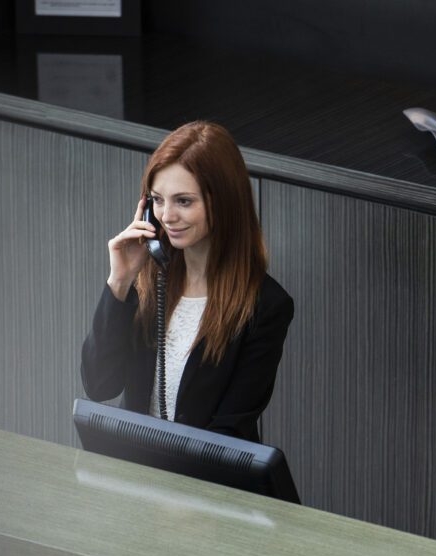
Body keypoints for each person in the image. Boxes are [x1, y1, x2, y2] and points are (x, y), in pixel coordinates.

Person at [81, 121, 293, 443]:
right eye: (157, 200)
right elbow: (99, 385)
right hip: (136, 468)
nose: (166, 216)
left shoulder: (266, 305)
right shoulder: (150, 279)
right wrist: (120, 281)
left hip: (207, 483)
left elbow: (229, 431)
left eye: (184, 201)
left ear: (222, 203)